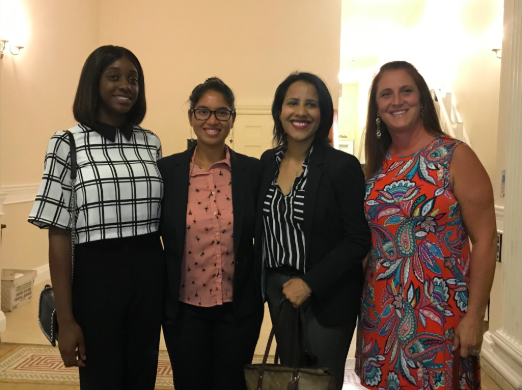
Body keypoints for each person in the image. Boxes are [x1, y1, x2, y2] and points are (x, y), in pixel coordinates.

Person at [28, 45, 164, 390]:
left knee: (141, 377)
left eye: (133, 79)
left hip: (149, 278)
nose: (126, 86)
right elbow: (58, 235)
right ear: (94, 82)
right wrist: (68, 319)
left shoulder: (150, 143)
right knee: (102, 379)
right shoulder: (67, 143)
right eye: (114, 76)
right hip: (96, 281)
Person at [356, 61, 497, 390]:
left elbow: (486, 240)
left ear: (421, 100)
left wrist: (475, 315)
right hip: (381, 316)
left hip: (441, 316)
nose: (397, 100)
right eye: (386, 94)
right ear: (376, 108)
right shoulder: (374, 169)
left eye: (406, 91)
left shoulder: (455, 156)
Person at [256, 72, 371, 390]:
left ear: (323, 114)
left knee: (318, 382)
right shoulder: (268, 162)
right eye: (292, 103)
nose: (301, 112)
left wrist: (310, 283)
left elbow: (357, 239)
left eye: (312, 104)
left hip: (327, 295)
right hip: (279, 291)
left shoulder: (341, 166)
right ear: (280, 110)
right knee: (289, 378)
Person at [159, 77, 264, 390]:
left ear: (232, 118)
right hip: (184, 311)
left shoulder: (252, 172)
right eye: (203, 111)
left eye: (222, 112)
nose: (212, 120)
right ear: (191, 116)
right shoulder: (167, 172)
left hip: (238, 310)